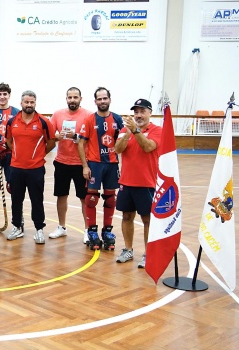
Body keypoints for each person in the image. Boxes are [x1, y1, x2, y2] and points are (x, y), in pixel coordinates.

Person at [113, 98, 162, 268]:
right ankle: (128, 249)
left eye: (142, 111)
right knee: (127, 216)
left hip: (147, 183)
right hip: (126, 182)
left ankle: (149, 254)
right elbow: (117, 150)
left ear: (150, 113)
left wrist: (135, 131)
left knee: (147, 219)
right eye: (136, 112)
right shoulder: (125, 130)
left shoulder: (157, 130)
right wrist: (127, 133)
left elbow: (148, 147)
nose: (139, 115)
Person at [77, 87, 125, 251]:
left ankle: (107, 232)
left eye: (105, 98)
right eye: (99, 99)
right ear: (95, 101)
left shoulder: (118, 119)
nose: (102, 101)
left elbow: (124, 142)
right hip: (95, 165)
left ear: (109, 100)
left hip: (112, 165)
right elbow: (81, 143)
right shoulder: (90, 120)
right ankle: (92, 232)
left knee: (111, 199)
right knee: (91, 198)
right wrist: (84, 166)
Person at [5, 90, 55, 244]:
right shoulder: (12, 121)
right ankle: (17, 227)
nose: (29, 105)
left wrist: (38, 156)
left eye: (32, 102)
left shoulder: (44, 122)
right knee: (16, 199)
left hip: (36, 169)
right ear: (21, 103)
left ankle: (39, 229)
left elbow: (51, 142)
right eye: (26, 102)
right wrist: (17, 155)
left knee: (37, 200)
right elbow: (8, 141)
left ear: (35, 103)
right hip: (16, 168)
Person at [47, 87, 91, 243]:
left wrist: (77, 136)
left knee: (84, 198)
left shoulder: (88, 115)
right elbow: (50, 135)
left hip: (81, 163)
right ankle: (61, 227)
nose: (72, 100)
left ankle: (87, 230)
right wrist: (57, 136)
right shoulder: (58, 114)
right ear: (66, 98)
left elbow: (91, 138)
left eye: (75, 97)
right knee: (61, 195)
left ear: (80, 98)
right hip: (61, 162)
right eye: (70, 97)